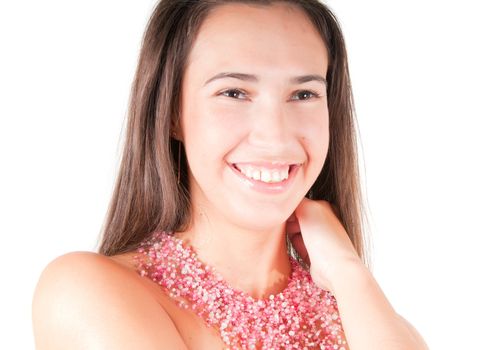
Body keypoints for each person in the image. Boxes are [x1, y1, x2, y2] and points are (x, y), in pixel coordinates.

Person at [32, 0, 428, 349]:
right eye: (234, 93)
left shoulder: (366, 314)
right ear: (171, 113)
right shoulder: (90, 293)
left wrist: (348, 270)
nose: (275, 135)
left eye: (304, 94)